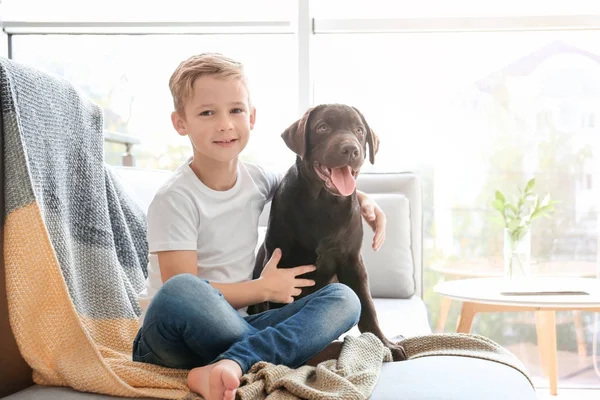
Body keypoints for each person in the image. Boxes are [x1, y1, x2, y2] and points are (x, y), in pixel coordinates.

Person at [132, 53, 387, 400]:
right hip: (169, 336)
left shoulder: (258, 179)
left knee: (344, 299)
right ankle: (284, 350)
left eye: (235, 110)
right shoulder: (175, 198)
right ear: (181, 123)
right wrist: (263, 290)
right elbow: (182, 288)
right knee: (183, 290)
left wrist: (364, 201)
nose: (224, 124)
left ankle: (232, 362)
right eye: (208, 112)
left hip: (236, 327)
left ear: (251, 117)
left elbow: (309, 180)